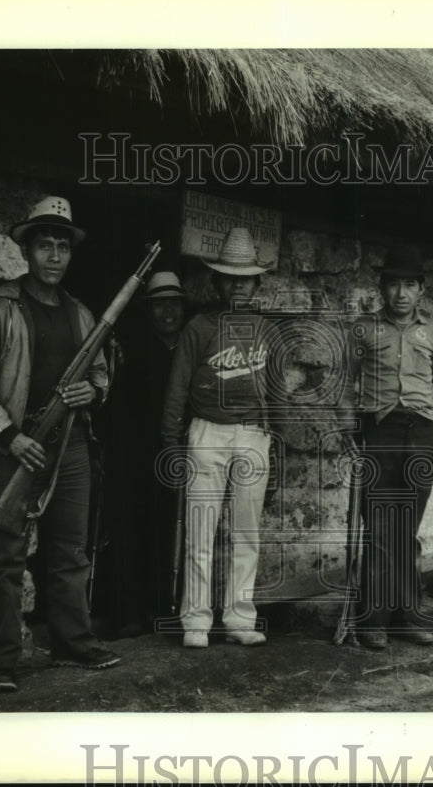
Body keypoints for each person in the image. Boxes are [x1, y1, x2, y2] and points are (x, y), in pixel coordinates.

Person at [0, 195, 120, 692]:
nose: (54, 255)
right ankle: (0, 663)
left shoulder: (81, 313)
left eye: (62, 247)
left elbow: (101, 377)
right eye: (44, 245)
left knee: (70, 551)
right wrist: (10, 437)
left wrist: (90, 391)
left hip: (71, 445)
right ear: (26, 252)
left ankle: (73, 644)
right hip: (21, 445)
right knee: (7, 555)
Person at [161, 228, 271, 649]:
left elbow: (275, 387)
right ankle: (196, 621)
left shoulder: (265, 329)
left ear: (256, 283)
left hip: (253, 435)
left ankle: (240, 618)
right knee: (201, 530)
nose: (238, 285)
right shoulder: (198, 327)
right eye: (230, 277)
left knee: (246, 532)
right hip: (206, 432)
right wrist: (171, 442)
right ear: (217, 282)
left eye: (245, 278)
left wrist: (269, 434)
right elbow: (177, 389)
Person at [341, 245, 433, 649]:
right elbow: (345, 386)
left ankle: (406, 617)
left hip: (421, 436)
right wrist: (348, 436)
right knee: (380, 528)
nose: (401, 293)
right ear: (382, 288)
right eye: (393, 284)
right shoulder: (363, 330)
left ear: (421, 290)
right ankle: (372, 622)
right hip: (380, 433)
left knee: (407, 530)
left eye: (409, 285)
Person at [97, 271, 188, 637]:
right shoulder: (135, 349)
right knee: (132, 527)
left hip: (177, 452)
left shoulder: (190, 347)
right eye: (159, 304)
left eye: (174, 303)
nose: (168, 311)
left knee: (171, 529)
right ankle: (128, 612)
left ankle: (161, 607)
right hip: (137, 456)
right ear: (148, 311)